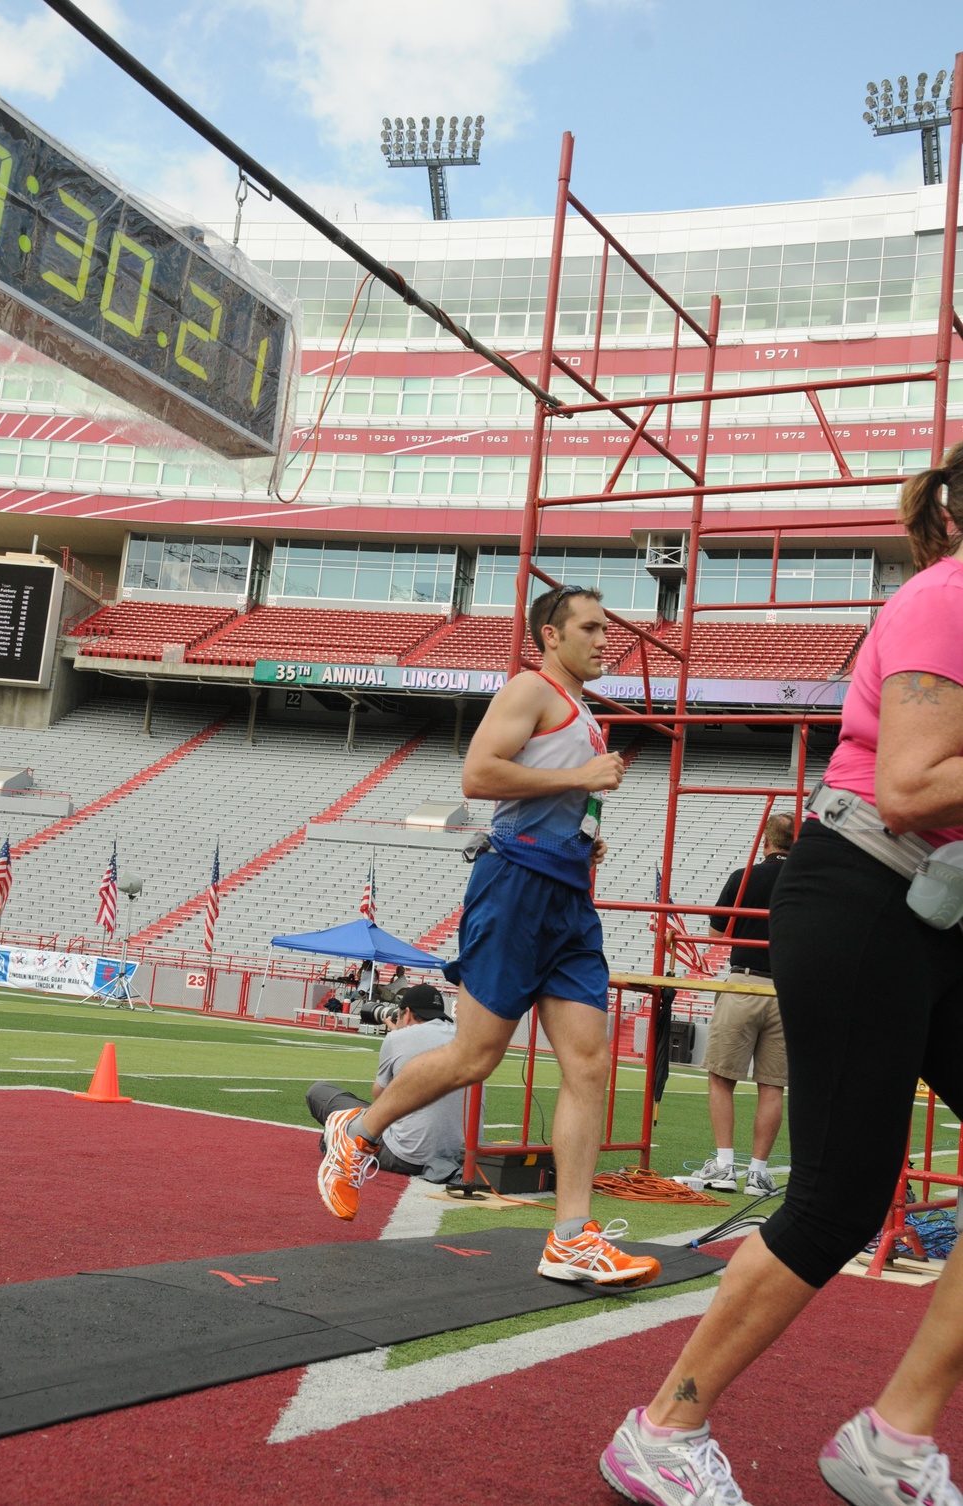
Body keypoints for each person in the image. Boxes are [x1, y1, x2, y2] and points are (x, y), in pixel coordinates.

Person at [599, 442, 963, 1506]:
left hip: (933, 914)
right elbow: (910, 784)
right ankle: (662, 1429)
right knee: (838, 1199)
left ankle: (891, 1439)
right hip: (863, 893)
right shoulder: (948, 598)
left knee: (842, 1192)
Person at [316, 584, 660, 1290]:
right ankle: (357, 1131)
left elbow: (556, 796)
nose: (606, 640)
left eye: (608, 630)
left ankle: (570, 1238)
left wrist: (582, 834)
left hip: (567, 898)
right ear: (550, 637)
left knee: (590, 1066)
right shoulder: (530, 691)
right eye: (591, 628)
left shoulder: (584, 714)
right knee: (475, 1056)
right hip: (514, 890)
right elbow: (477, 775)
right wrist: (581, 777)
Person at [686, 811, 794, 1197]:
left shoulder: (744, 875)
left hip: (744, 981)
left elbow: (717, 935)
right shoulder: (804, 880)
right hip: (785, 990)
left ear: (765, 840)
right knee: (772, 1086)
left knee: (721, 1076)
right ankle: (759, 1173)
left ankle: (726, 1164)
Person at [306, 984, 466, 1182]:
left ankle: (338, 1141)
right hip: (460, 1154)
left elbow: (381, 1097)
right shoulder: (465, 1038)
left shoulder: (398, 1037)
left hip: (408, 1155)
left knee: (318, 1092)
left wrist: (395, 1035)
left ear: (407, 1013)